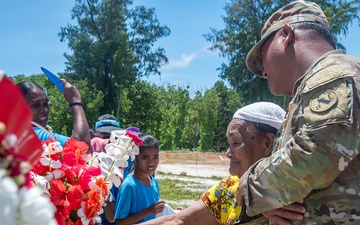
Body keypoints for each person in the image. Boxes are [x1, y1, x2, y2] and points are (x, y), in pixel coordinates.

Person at [236, 1, 360, 224]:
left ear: (286, 34)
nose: (263, 72)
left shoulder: (335, 75)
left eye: (262, 55)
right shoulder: (316, 85)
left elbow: (316, 153)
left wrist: (251, 186)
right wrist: (271, 199)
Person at [138, 102, 301, 225]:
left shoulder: (296, 192)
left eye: (236, 143)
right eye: (229, 143)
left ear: (267, 143)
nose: (228, 153)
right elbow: (178, 220)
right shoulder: (229, 189)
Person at [16, 79, 92, 151]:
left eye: (46, 104)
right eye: (36, 105)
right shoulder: (32, 134)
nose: (45, 109)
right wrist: (75, 102)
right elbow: (82, 147)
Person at [114, 133, 166, 224]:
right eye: (145, 158)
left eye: (155, 157)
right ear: (134, 158)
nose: (151, 163)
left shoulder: (153, 182)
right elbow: (120, 222)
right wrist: (148, 211)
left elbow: (155, 214)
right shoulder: (129, 185)